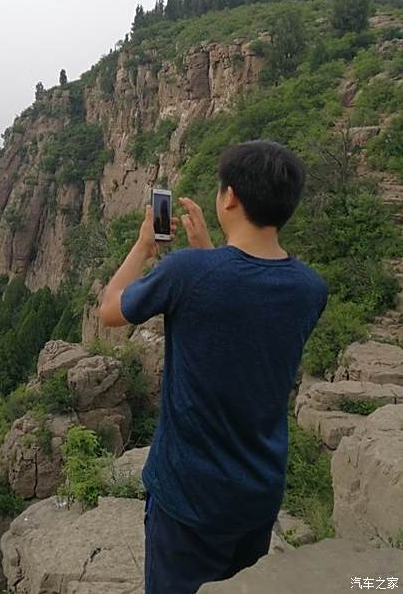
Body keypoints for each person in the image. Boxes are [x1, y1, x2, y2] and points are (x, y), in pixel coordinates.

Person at [98, 139, 328, 594]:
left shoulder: (187, 273)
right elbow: (242, 300)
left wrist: (145, 247)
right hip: (257, 494)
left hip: (189, 499)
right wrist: (208, 249)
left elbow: (109, 309)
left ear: (230, 197)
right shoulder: (310, 289)